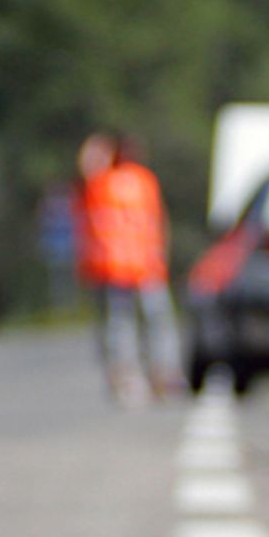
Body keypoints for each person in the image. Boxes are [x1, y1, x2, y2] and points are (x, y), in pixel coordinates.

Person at [75, 131, 181, 403]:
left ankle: (163, 374)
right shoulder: (100, 181)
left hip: (145, 265)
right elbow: (87, 166)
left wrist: (162, 255)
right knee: (120, 325)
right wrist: (99, 146)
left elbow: (159, 219)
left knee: (156, 320)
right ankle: (125, 376)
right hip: (115, 267)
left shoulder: (145, 180)